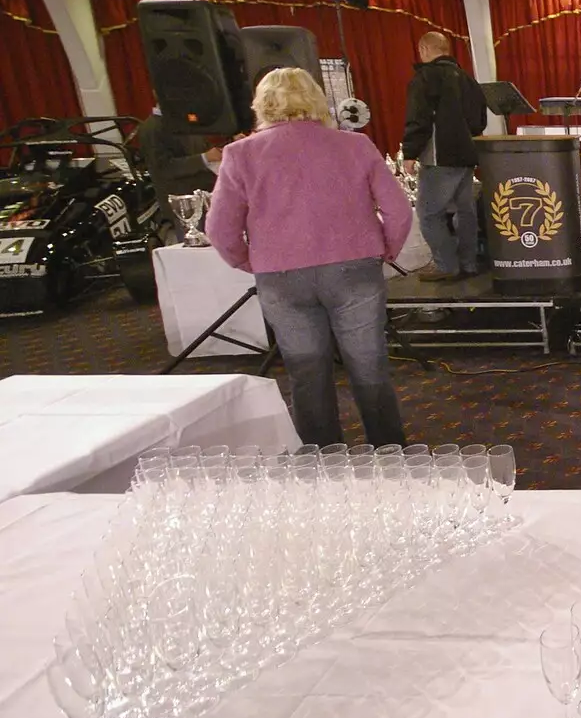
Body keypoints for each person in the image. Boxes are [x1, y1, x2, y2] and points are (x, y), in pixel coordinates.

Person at [207, 67, 412, 447]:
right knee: (370, 368)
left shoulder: (239, 154)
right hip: (355, 268)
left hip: (281, 276)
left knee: (306, 373)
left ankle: (324, 463)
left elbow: (219, 230)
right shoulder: (356, 146)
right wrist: (386, 249)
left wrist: (247, 261)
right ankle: (391, 456)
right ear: (317, 99)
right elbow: (399, 211)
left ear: (262, 104)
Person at [402, 31, 488, 281]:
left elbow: (418, 117)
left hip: (440, 156)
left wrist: (410, 152)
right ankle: (468, 263)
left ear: (424, 49)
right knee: (465, 211)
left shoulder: (426, 78)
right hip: (467, 154)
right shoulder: (468, 80)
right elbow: (479, 120)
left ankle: (446, 265)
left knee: (429, 214)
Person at [136, 107, 222, 236]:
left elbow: (207, 150)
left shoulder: (185, 122)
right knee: (194, 252)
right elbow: (163, 168)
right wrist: (204, 158)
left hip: (203, 200)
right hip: (183, 207)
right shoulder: (152, 128)